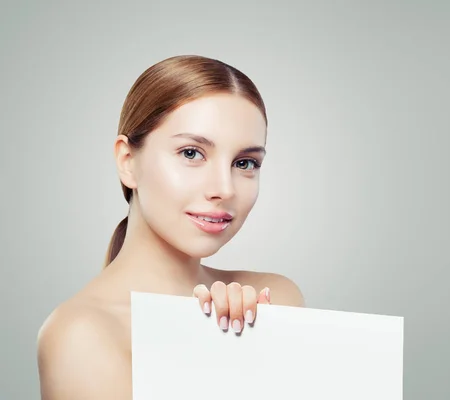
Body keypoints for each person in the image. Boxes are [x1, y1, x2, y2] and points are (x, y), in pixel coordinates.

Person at [36, 55, 305, 399]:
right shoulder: (81, 334)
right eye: (191, 153)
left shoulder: (274, 299)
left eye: (245, 163)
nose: (224, 188)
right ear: (127, 161)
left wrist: (245, 346)